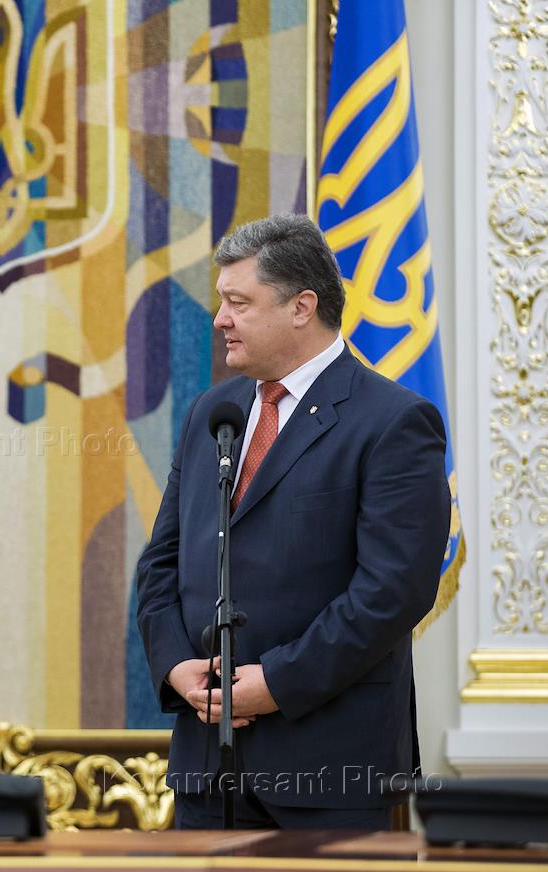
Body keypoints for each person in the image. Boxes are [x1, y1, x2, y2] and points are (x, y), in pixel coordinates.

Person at [136, 214, 450, 830]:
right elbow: (161, 563)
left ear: (302, 306)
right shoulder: (212, 413)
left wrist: (276, 683)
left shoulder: (394, 421)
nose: (220, 319)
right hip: (207, 767)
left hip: (330, 768)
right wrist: (176, 665)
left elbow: (393, 591)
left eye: (238, 303)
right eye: (222, 301)